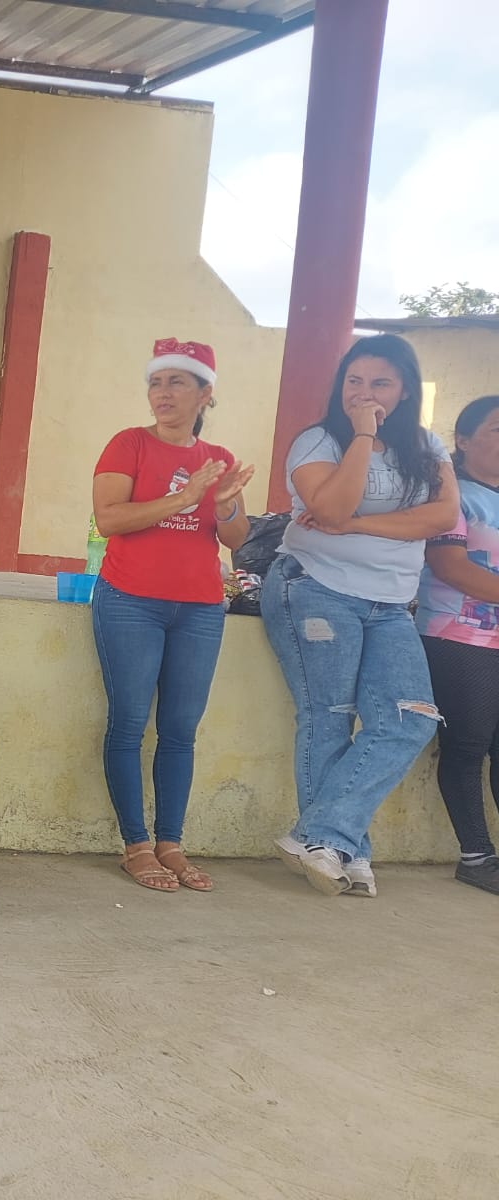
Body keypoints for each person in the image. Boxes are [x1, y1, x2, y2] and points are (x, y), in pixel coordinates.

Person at [261, 334, 457, 897]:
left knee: (410, 720)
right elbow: (330, 507)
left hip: (391, 603)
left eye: (379, 383)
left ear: (405, 390)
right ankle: (343, 848)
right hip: (314, 586)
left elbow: (441, 516)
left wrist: (356, 525)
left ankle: (321, 836)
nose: (363, 392)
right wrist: (364, 435)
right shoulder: (318, 440)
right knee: (329, 715)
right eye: (353, 380)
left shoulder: (427, 446)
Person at [91, 339, 254, 893]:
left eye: (177, 382)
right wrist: (184, 500)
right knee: (129, 723)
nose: (163, 393)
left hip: (200, 608)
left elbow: (236, 539)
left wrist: (224, 502)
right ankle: (135, 845)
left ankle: (171, 843)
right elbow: (109, 519)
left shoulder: (217, 459)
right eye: (156, 382)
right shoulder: (129, 444)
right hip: (130, 600)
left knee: (181, 730)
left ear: (205, 394)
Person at [417, 394, 499, 896]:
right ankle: (477, 857)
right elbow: (450, 567)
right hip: (458, 636)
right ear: (463, 440)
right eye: (497, 430)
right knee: (468, 746)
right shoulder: (453, 496)